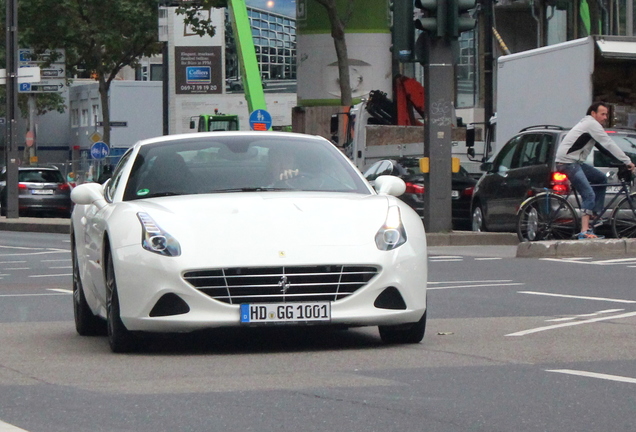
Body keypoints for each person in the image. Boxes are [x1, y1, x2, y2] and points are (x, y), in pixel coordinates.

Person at [555, 102, 636, 240]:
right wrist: (628, 161)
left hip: (575, 162)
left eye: (607, 115)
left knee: (601, 179)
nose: (605, 117)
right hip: (568, 163)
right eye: (602, 114)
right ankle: (584, 231)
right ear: (593, 114)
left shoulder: (590, 126)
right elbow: (609, 143)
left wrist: (620, 161)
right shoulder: (591, 124)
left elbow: (603, 148)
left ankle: (594, 214)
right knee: (589, 195)